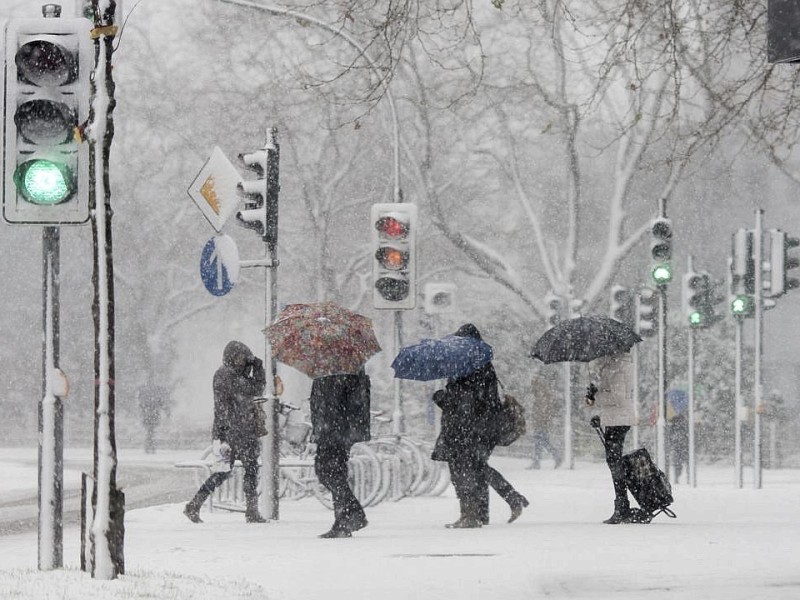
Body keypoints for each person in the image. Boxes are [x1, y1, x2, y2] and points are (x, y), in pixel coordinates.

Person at [431, 323, 529, 528]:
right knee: (477, 468)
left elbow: (464, 403)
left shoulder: (467, 368)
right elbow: (479, 401)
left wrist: (442, 398)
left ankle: (471, 515)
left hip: (466, 429)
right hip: (482, 428)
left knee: (464, 470)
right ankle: (484, 512)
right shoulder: (483, 365)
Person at [184, 340, 267, 524]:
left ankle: (196, 505)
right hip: (233, 431)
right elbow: (253, 390)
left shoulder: (236, 375)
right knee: (229, 471)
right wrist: (257, 368)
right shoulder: (226, 375)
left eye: (245, 358)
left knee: (241, 470)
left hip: (241, 430)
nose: (243, 361)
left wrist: (256, 369)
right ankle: (196, 505)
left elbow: (255, 389)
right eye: (240, 357)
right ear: (231, 357)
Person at [310, 368, 371, 538]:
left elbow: (332, 404)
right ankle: (344, 520)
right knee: (333, 472)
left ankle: (351, 515)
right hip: (336, 430)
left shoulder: (337, 371)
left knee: (327, 471)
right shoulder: (337, 370)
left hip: (335, 431)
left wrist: (326, 425)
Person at [585, 351, 641, 524]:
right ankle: (621, 505)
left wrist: (599, 393)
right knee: (613, 461)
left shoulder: (617, 368)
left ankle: (622, 506)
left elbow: (618, 398)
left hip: (619, 419)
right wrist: (594, 394)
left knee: (614, 462)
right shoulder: (612, 367)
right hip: (615, 418)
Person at [528, 372, 562, 469]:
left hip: (541, 423)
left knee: (541, 442)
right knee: (541, 442)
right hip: (541, 422)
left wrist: (541, 421)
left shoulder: (541, 394)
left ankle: (554, 457)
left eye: (533, 383)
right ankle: (539, 461)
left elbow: (542, 410)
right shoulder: (541, 393)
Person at [137, 380, 170, 454]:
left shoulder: (146, 397)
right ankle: (150, 446)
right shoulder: (154, 397)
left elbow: (141, 406)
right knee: (151, 432)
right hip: (153, 417)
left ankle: (149, 446)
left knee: (150, 431)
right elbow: (162, 404)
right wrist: (167, 412)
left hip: (149, 417)